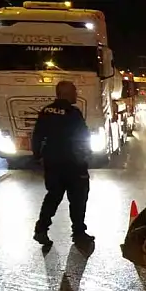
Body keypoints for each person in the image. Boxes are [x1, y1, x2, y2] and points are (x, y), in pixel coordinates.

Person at [31, 81, 95, 247]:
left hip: (52, 162)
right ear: (65, 93)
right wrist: (87, 154)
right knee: (78, 199)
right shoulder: (73, 113)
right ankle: (79, 232)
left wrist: (37, 155)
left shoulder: (46, 111)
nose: (76, 94)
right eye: (74, 91)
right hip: (73, 164)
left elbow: (37, 135)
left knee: (52, 197)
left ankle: (41, 229)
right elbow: (83, 136)